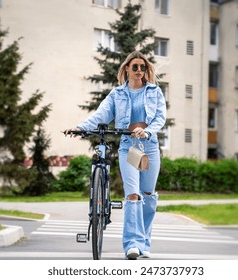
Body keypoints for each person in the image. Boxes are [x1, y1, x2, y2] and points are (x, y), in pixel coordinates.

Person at [66, 51, 166, 259]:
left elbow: (160, 118)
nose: (139, 71)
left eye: (143, 67)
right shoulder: (117, 94)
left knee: (147, 195)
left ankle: (144, 241)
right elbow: (101, 114)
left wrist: (148, 131)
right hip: (129, 147)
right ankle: (132, 244)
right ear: (127, 69)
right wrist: (81, 128)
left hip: (148, 146)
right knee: (132, 194)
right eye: (135, 67)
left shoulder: (154, 91)